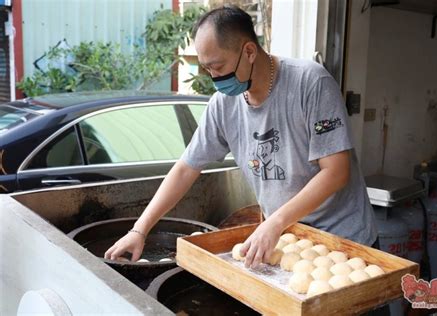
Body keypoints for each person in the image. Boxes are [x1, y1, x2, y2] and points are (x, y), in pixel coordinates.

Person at [105, 5, 378, 270]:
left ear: (248, 51)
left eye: (218, 66)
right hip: (288, 237)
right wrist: (139, 230)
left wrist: (274, 222)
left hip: (345, 243)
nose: (214, 78)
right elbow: (187, 168)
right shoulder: (224, 104)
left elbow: (336, 172)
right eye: (206, 69)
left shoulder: (311, 83)